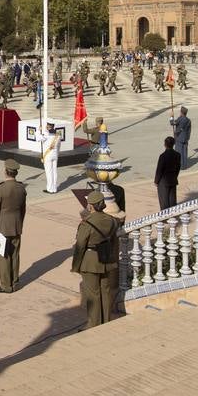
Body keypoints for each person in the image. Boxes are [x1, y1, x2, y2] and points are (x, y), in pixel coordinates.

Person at [71, 189, 119, 329]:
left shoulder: (87, 224)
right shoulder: (111, 220)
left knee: (93, 294)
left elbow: (80, 246)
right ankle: (105, 321)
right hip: (107, 260)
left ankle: (93, 324)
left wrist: (76, 266)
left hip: (90, 261)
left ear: (90, 206)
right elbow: (115, 242)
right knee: (105, 292)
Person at [0, 159, 27, 294]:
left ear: (5, 171)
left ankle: (6, 285)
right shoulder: (21, 188)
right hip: (16, 226)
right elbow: (23, 209)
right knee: (15, 255)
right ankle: (15, 282)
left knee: (3, 257)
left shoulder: (0, 189)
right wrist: (20, 223)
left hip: (2, 227)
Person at [154, 136, 181, 210]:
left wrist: (156, 181)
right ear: (173, 144)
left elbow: (159, 170)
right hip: (173, 179)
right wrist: (175, 176)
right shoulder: (177, 155)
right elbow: (178, 167)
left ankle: (165, 218)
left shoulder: (163, 156)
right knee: (172, 200)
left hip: (163, 181)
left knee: (164, 201)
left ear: (165, 144)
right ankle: (173, 215)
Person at [38, 121, 61, 194]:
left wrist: (39, 131)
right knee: (54, 171)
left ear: (48, 127)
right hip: (55, 155)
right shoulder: (58, 135)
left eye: (47, 126)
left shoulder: (46, 134)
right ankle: (54, 188)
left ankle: (50, 189)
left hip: (48, 155)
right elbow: (59, 146)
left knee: (49, 172)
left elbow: (38, 139)